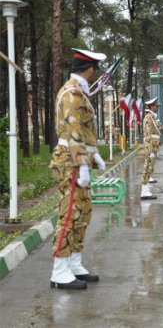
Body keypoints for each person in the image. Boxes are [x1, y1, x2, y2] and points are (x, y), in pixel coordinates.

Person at [48, 48, 107, 290]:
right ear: (90, 69)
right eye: (96, 70)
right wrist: (83, 164)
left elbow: (83, 131)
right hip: (70, 162)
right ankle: (59, 270)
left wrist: (94, 155)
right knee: (69, 214)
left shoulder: (79, 92)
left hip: (78, 159)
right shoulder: (73, 94)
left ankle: (73, 263)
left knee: (82, 213)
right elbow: (73, 133)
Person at [141, 97, 162, 199]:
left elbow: (158, 131)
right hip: (150, 146)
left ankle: (145, 190)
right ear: (152, 106)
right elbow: (149, 135)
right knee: (147, 167)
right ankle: (144, 191)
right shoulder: (149, 118)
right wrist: (151, 150)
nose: (157, 107)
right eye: (156, 106)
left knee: (150, 167)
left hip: (154, 145)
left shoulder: (153, 117)